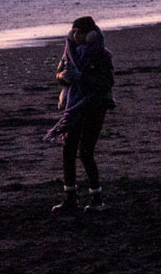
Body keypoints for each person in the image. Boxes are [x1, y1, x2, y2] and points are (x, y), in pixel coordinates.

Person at [47, 15, 115, 212]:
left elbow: (106, 83)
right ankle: (70, 197)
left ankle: (97, 198)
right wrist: (64, 77)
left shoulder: (101, 55)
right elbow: (59, 74)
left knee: (86, 151)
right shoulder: (70, 52)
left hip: (94, 106)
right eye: (74, 31)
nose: (76, 35)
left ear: (91, 34)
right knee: (68, 149)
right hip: (73, 106)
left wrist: (81, 78)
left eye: (80, 32)